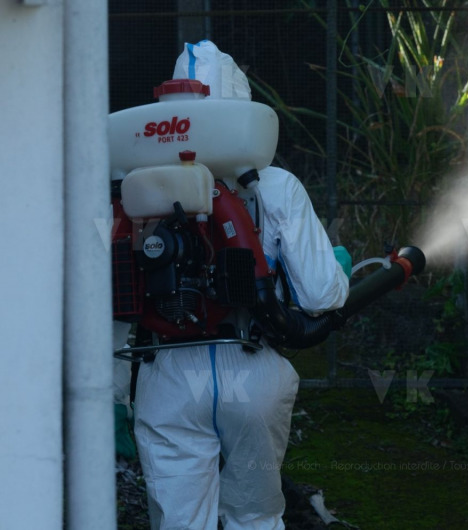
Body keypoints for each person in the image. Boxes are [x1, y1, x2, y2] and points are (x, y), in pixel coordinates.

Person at [127, 42, 350, 530]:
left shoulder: (132, 185)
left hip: (166, 372)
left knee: (182, 522)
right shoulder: (274, 186)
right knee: (255, 516)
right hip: (251, 369)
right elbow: (322, 295)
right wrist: (338, 269)